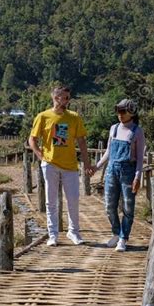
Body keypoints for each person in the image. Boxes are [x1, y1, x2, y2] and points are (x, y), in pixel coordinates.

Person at [29, 86, 95, 247]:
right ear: (55, 97)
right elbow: (32, 139)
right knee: (51, 201)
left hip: (70, 165)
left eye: (68, 98)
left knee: (73, 199)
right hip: (50, 164)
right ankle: (53, 235)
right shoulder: (43, 116)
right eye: (64, 97)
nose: (67, 101)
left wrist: (87, 163)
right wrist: (39, 155)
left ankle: (74, 232)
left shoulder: (74, 117)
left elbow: (81, 141)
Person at [95, 98, 145, 252]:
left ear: (132, 112)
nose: (120, 114)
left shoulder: (137, 131)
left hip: (128, 171)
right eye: (118, 111)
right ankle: (116, 232)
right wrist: (96, 167)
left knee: (128, 207)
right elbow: (109, 152)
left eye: (123, 111)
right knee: (109, 205)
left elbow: (140, 158)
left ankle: (123, 238)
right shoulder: (114, 128)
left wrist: (138, 177)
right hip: (112, 169)